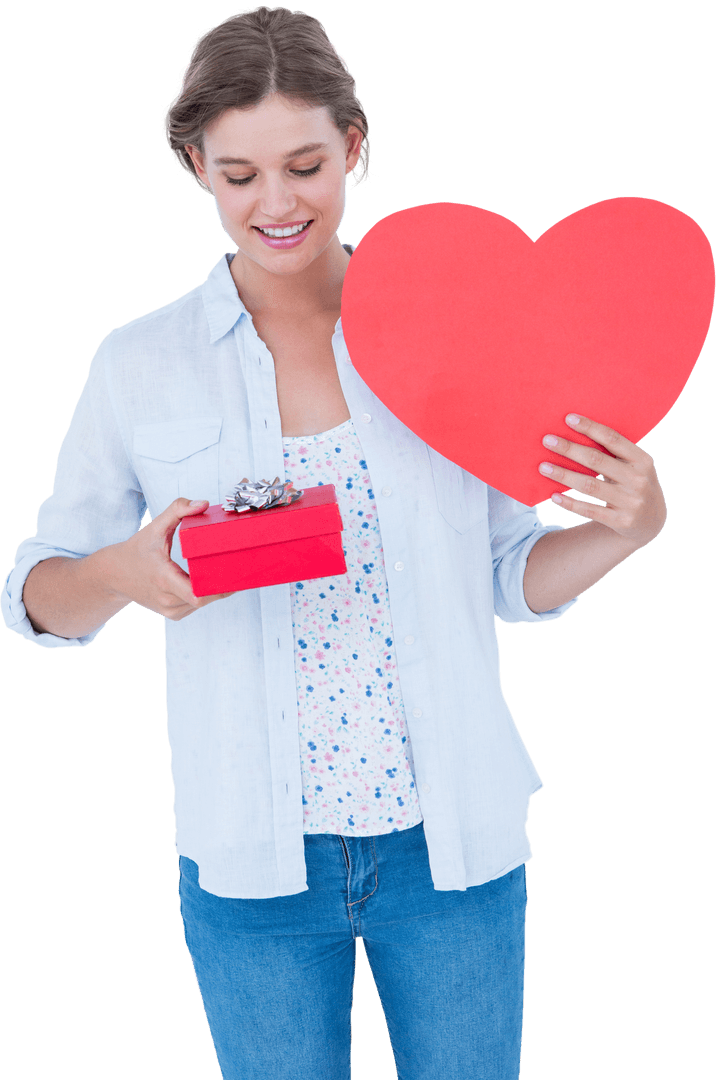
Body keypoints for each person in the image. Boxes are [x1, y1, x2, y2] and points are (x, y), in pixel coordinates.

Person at [0, 7, 668, 1079]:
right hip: (250, 860)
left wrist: (622, 532)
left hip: (452, 851)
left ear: (353, 146)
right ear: (195, 169)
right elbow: (37, 599)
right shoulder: (141, 362)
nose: (276, 203)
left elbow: (509, 574)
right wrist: (127, 572)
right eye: (238, 175)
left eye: (305, 165)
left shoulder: (454, 337)